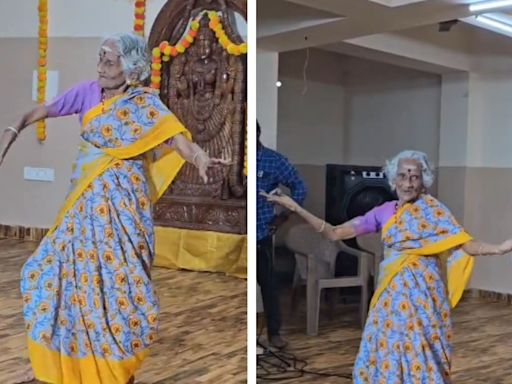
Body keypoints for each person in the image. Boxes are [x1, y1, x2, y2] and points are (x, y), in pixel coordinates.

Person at [0, 33, 228, 384]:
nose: (101, 67)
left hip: (124, 211)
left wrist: (197, 156)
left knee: (118, 287)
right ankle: (62, 369)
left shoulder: (145, 105)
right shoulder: (88, 93)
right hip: (83, 207)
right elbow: (40, 110)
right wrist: (13, 130)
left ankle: (112, 369)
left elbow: (176, 138)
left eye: (110, 61)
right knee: (52, 273)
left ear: (132, 68)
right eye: (100, 58)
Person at [262, 150, 512, 382]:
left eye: (415, 176)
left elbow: (463, 243)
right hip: (391, 297)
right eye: (403, 175)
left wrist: (498, 248)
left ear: (423, 181)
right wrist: (295, 208)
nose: (408, 182)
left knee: (422, 346)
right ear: (393, 180)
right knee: (388, 343)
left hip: (425, 298)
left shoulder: (434, 211)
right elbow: (335, 232)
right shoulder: (382, 212)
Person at [257, 121, 306, 349]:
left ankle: (274, 333)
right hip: (236, 233)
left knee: (268, 285)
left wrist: (283, 216)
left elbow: (300, 188)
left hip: (261, 234)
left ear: (257, 134)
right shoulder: (237, 160)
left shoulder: (274, 161)